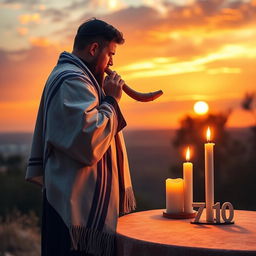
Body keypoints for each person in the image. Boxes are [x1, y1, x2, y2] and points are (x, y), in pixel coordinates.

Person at [25, 18, 136, 256]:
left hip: (72, 208)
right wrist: (112, 100)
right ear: (94, 49)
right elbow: (88, 142)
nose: (112, 63)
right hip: (73, 217)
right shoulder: (72, 79)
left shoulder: (76, 76)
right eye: (110, 54)